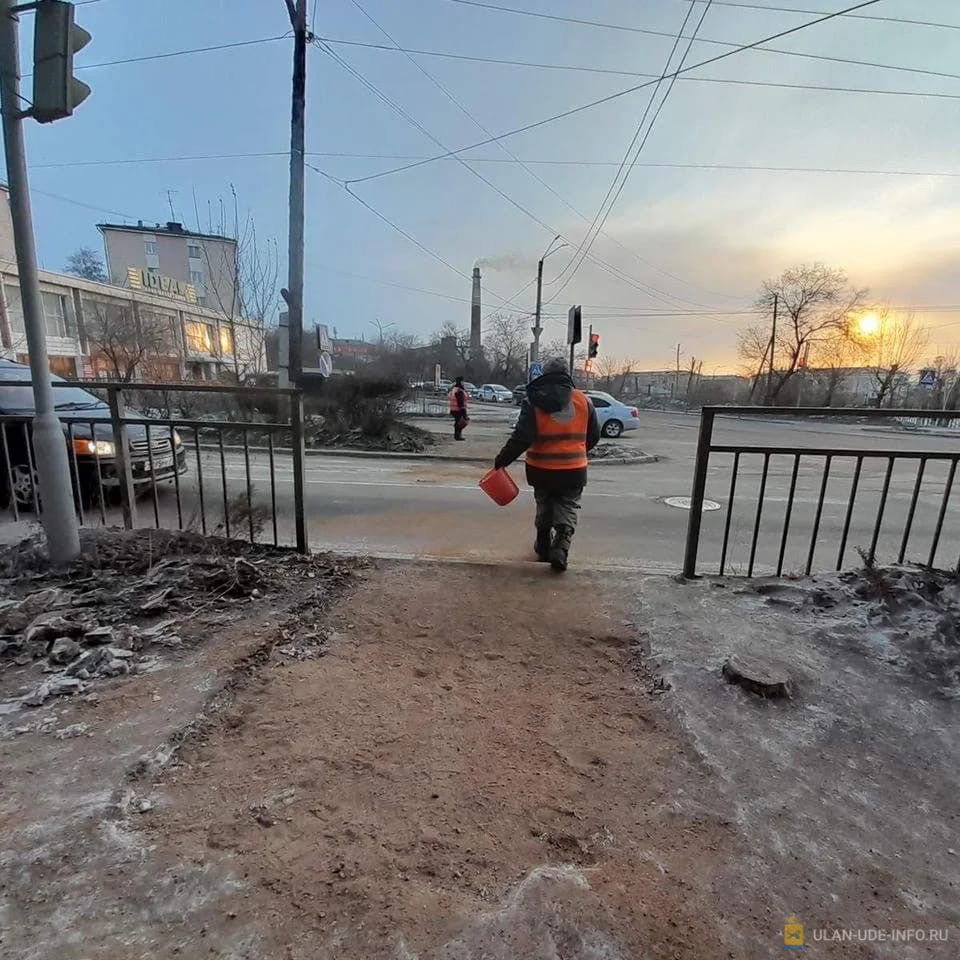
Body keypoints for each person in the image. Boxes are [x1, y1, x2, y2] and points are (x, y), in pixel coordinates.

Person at [493, 357, 599, 571]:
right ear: (567, 374)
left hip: (540, 469)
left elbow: (522, 436)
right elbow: (593, 435)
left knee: (544, 503)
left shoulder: (533, 400)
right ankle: (560, 546)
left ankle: (542, 544)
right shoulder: (584, 401)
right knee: (568, 505)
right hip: (574, 469)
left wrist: (502, 460)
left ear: (544, 374)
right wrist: (578, 451)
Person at [449, 376, 469, 441]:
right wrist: (464, 412)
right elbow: (460, 402)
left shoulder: (455, 389)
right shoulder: (459, 390)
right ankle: (458, 436)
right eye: (463, 381)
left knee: (458, 422)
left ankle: (457, 435)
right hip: (458, 409)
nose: (464, 383)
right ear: (460, 382)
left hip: (453, 409)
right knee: (460, 423)